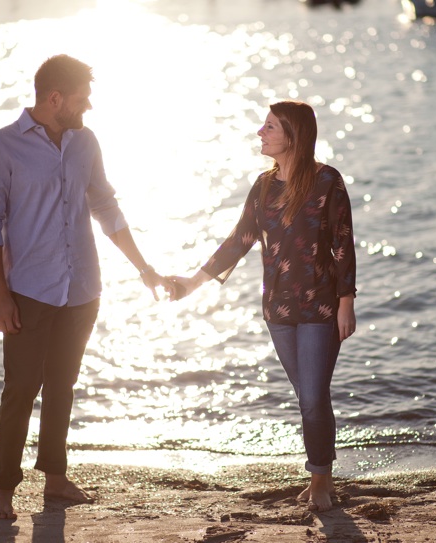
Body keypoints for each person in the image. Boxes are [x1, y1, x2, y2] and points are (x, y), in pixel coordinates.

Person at [0, 54, 171, 520]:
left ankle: (56, 479)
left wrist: (144, 267)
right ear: (54, 98)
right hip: (28, 290)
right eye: (81, 99)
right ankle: (2, 490)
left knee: (63, 385)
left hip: (82, 287)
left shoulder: (86, 142)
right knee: (21, 387)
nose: (89, 107)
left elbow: (105, 205)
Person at [170, 100, 357, 512]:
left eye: (270, 127)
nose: (260, 132)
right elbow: (239, 240)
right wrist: (192, 283)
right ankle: (320, 473)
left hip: (321, 307)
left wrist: (347, 302)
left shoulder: (328, 182)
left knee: (311, 396)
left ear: (293, 136)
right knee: (310, 396)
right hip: (278, 309)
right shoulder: (263, 186)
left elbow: (343, 243)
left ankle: (321, 480)